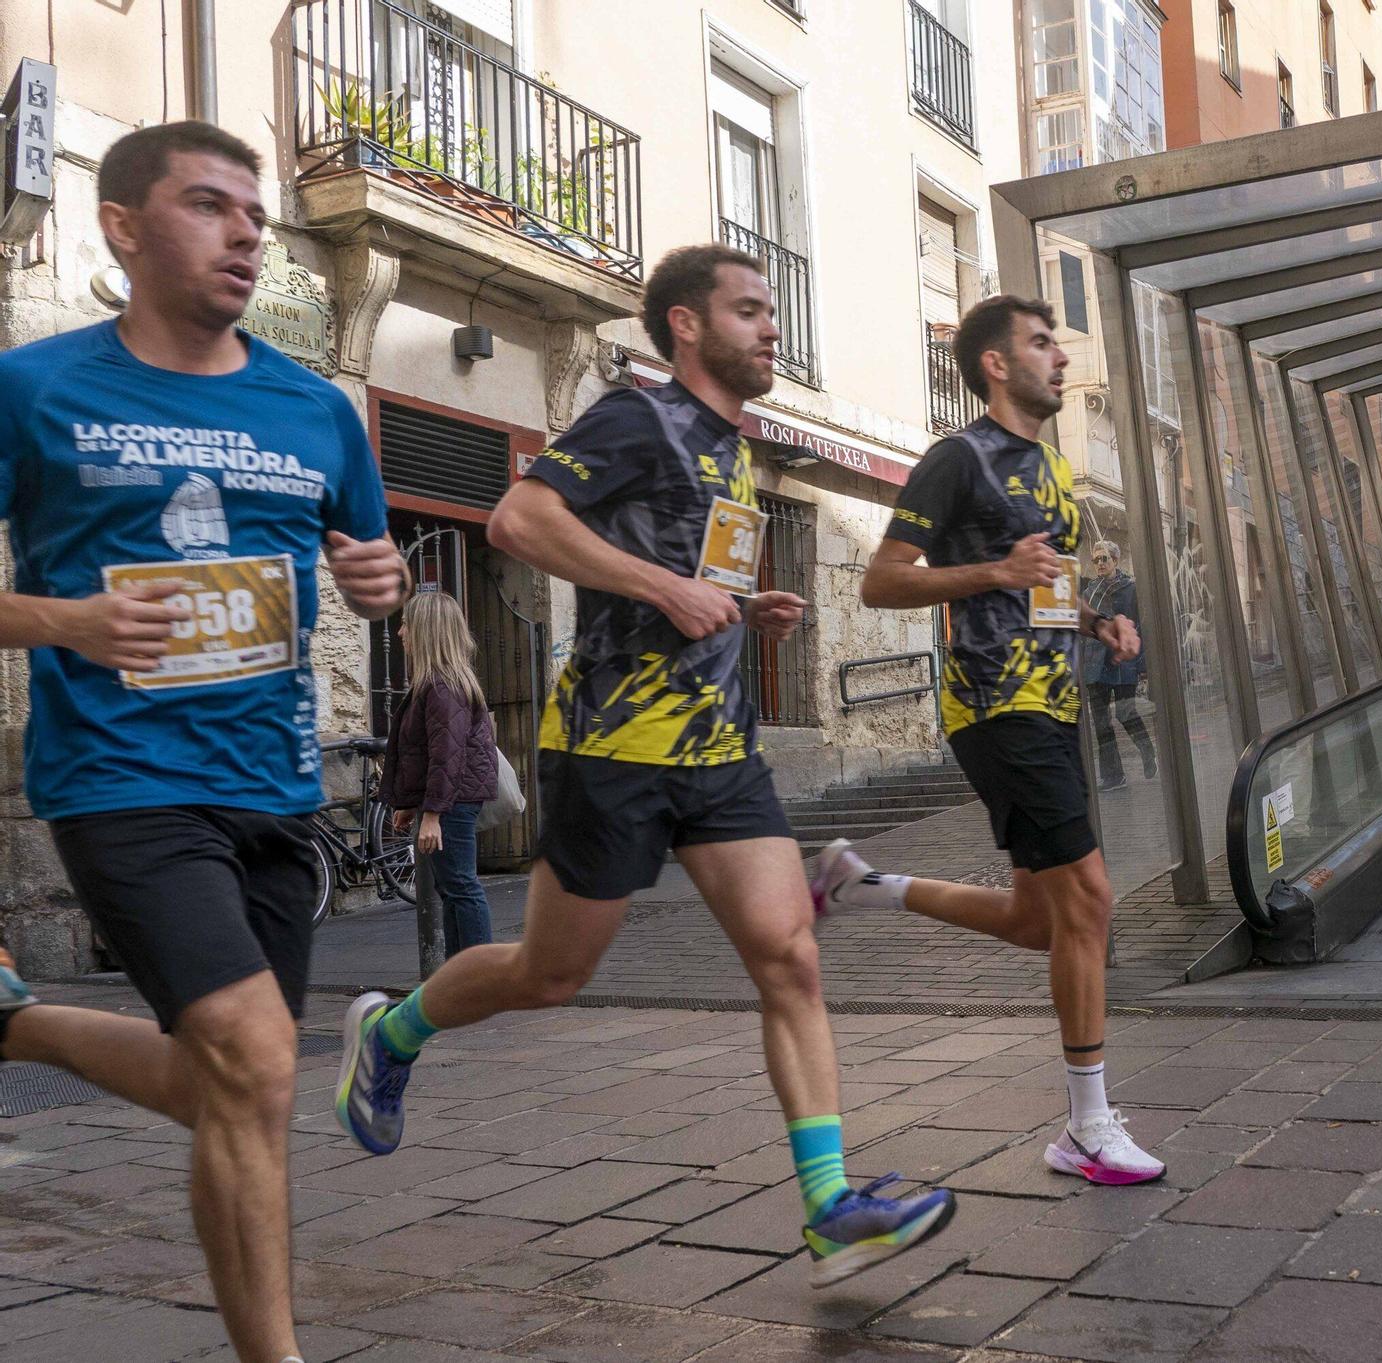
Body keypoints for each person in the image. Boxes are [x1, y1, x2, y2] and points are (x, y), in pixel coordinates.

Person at [332, 244, 955, 1288]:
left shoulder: (731, 447)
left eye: (769, 310)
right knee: (549, 974)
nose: (771, 327)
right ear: (686, 325)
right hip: (612, 748)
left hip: (720, 752)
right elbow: (519, 519)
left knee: (789, 956)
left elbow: (677, 570)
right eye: (748, 310)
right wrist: (666, 591)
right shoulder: (637, 417)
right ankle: (392, 1032)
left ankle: (830, 1206)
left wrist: (737, 606)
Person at [0, 122, 406, 1363]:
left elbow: (373, 559)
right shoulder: (36, 388)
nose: (243, 234)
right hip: (120, 776)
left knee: (240, 1083)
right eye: (208, 206)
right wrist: (66, 619)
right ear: (122, 226)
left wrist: (380, 580)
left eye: (255, 217)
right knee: (256, 1054)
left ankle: (13, 1022)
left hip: (274, 782)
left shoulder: (314, 407)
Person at [815, 295, 1165, 1186]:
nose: (1061, 357)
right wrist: (994, 569)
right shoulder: (956, 459)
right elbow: (882, 582)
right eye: (1042, 343)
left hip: (1055, 706)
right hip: (996, 707)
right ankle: (1086, 1127)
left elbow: (1042, 589)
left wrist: (1096, 623)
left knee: (1038, 921)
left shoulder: (1050, 469)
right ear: (997, 364)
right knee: (1090, 900)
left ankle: (868, 885)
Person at [383, 590, 498, 956]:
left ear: (426, 630)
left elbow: (446, 755)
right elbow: (426, 752)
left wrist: (432, 814)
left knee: (461, 887)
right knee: (452, 889)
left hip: (453, 802)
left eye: (406, 624)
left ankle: (478, 973)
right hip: (451, 799)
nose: (401, 632)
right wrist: (410, 804)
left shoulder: (442, 686)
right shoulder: (436, 682)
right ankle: (460, 971)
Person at [1081, 539, 1155, 791]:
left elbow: (1141, 627)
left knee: (1126, 713)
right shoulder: (1089, 592)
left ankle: (1147, 750)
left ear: (1115, 560)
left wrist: (1142, 663)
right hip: (1095, 665)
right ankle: (1113, 776)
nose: (1100, 564)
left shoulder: (1130, 589)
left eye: (1104, 559)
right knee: (1101, 723)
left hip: (1122, 661)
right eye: (1096, 560)